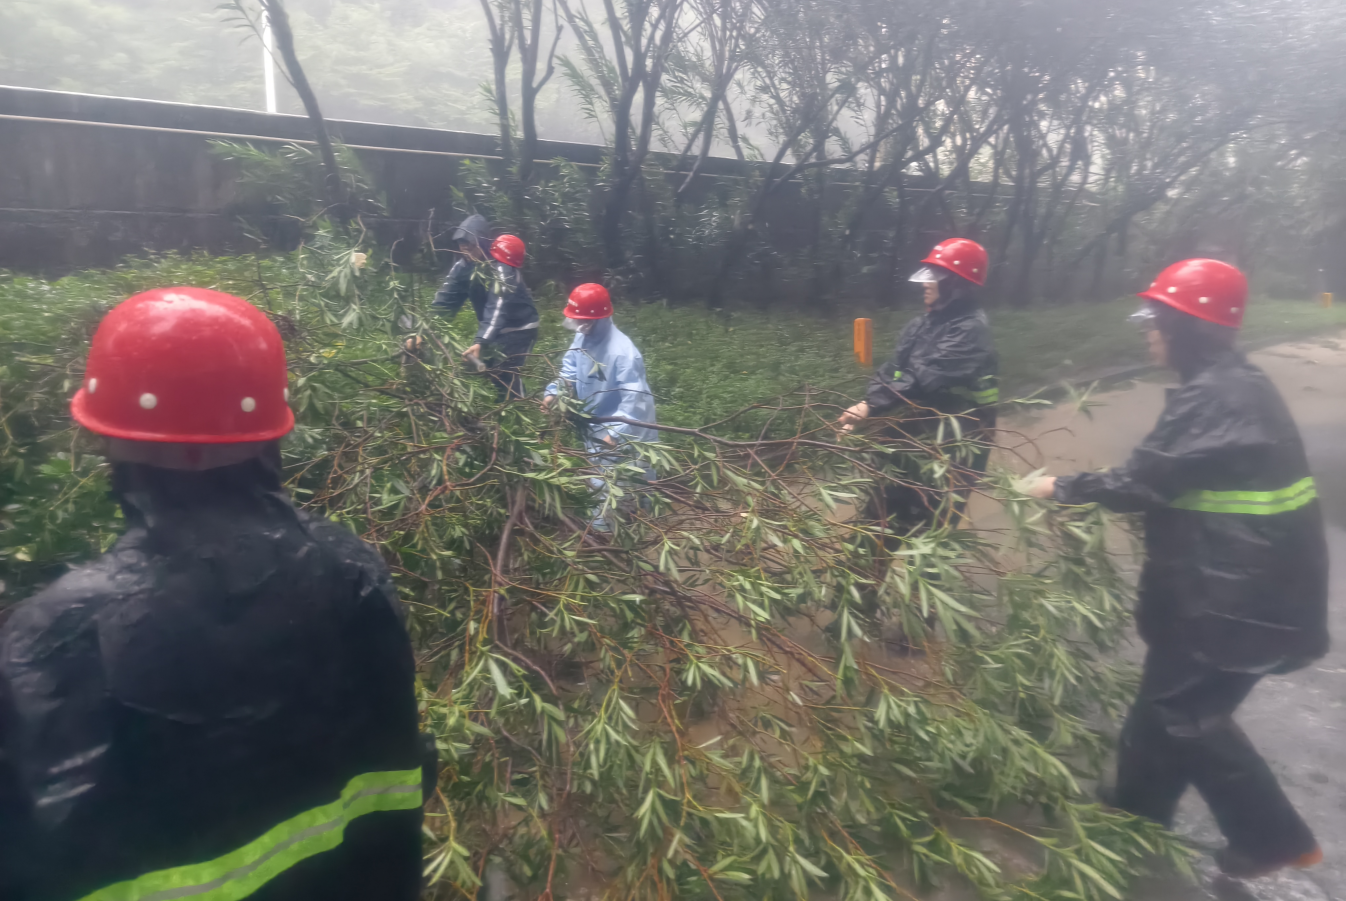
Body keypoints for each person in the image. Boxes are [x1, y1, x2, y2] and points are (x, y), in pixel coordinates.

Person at [0, 288, 430, 901]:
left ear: (110, 441)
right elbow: (401, 771)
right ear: (270, 432)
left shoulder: (58, 637)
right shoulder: (353, 571)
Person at [1025, 259, 1328, 880]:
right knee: (1158, 708)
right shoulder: (1230, 386)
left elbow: (1143, 480)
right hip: (1240, 589)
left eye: (1157, 318)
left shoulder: (1216, 398)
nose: (1148, 330)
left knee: (1183, 716)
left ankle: (1271, 837)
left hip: (1234, 602)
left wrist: (1060, 488)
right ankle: (1136, 814)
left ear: (1192, 327)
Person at [837, 237, 999, 532]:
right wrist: (867, 405)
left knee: (928, 527)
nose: (926, 283)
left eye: (936, 276)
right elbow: (895, 371)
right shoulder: (922, 324)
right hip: (917, 430)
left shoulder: (970, 330)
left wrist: (871, 406)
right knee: (882, 513)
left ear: (956, 284)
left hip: (956, 443)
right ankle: (867, 557)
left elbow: (926, 377)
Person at [542, 284, 657, 531]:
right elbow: (570, 368)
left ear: (599, 318)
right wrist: (554, 392)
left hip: (629, 422)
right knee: (605, 474)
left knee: (628, 473)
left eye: (583, 321)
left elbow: (634, 400)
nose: (579, 326)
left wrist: (614, 434)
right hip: (597, 418)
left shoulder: (623, 353)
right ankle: (621, 518)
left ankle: (605, 531)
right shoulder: (583, 335)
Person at [431, 214, 540, 399]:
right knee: (489, 370)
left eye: (470, 244)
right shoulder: (462, 267)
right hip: (495, 327)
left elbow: (497, 307)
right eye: (461, 244)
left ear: (482, 242)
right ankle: (499, 407)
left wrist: (481, 341)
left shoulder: (501, 268)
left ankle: (519, 407)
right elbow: (446, 298)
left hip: (519, 327)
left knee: (505, 371)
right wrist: (427, 328)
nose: (465, 249)